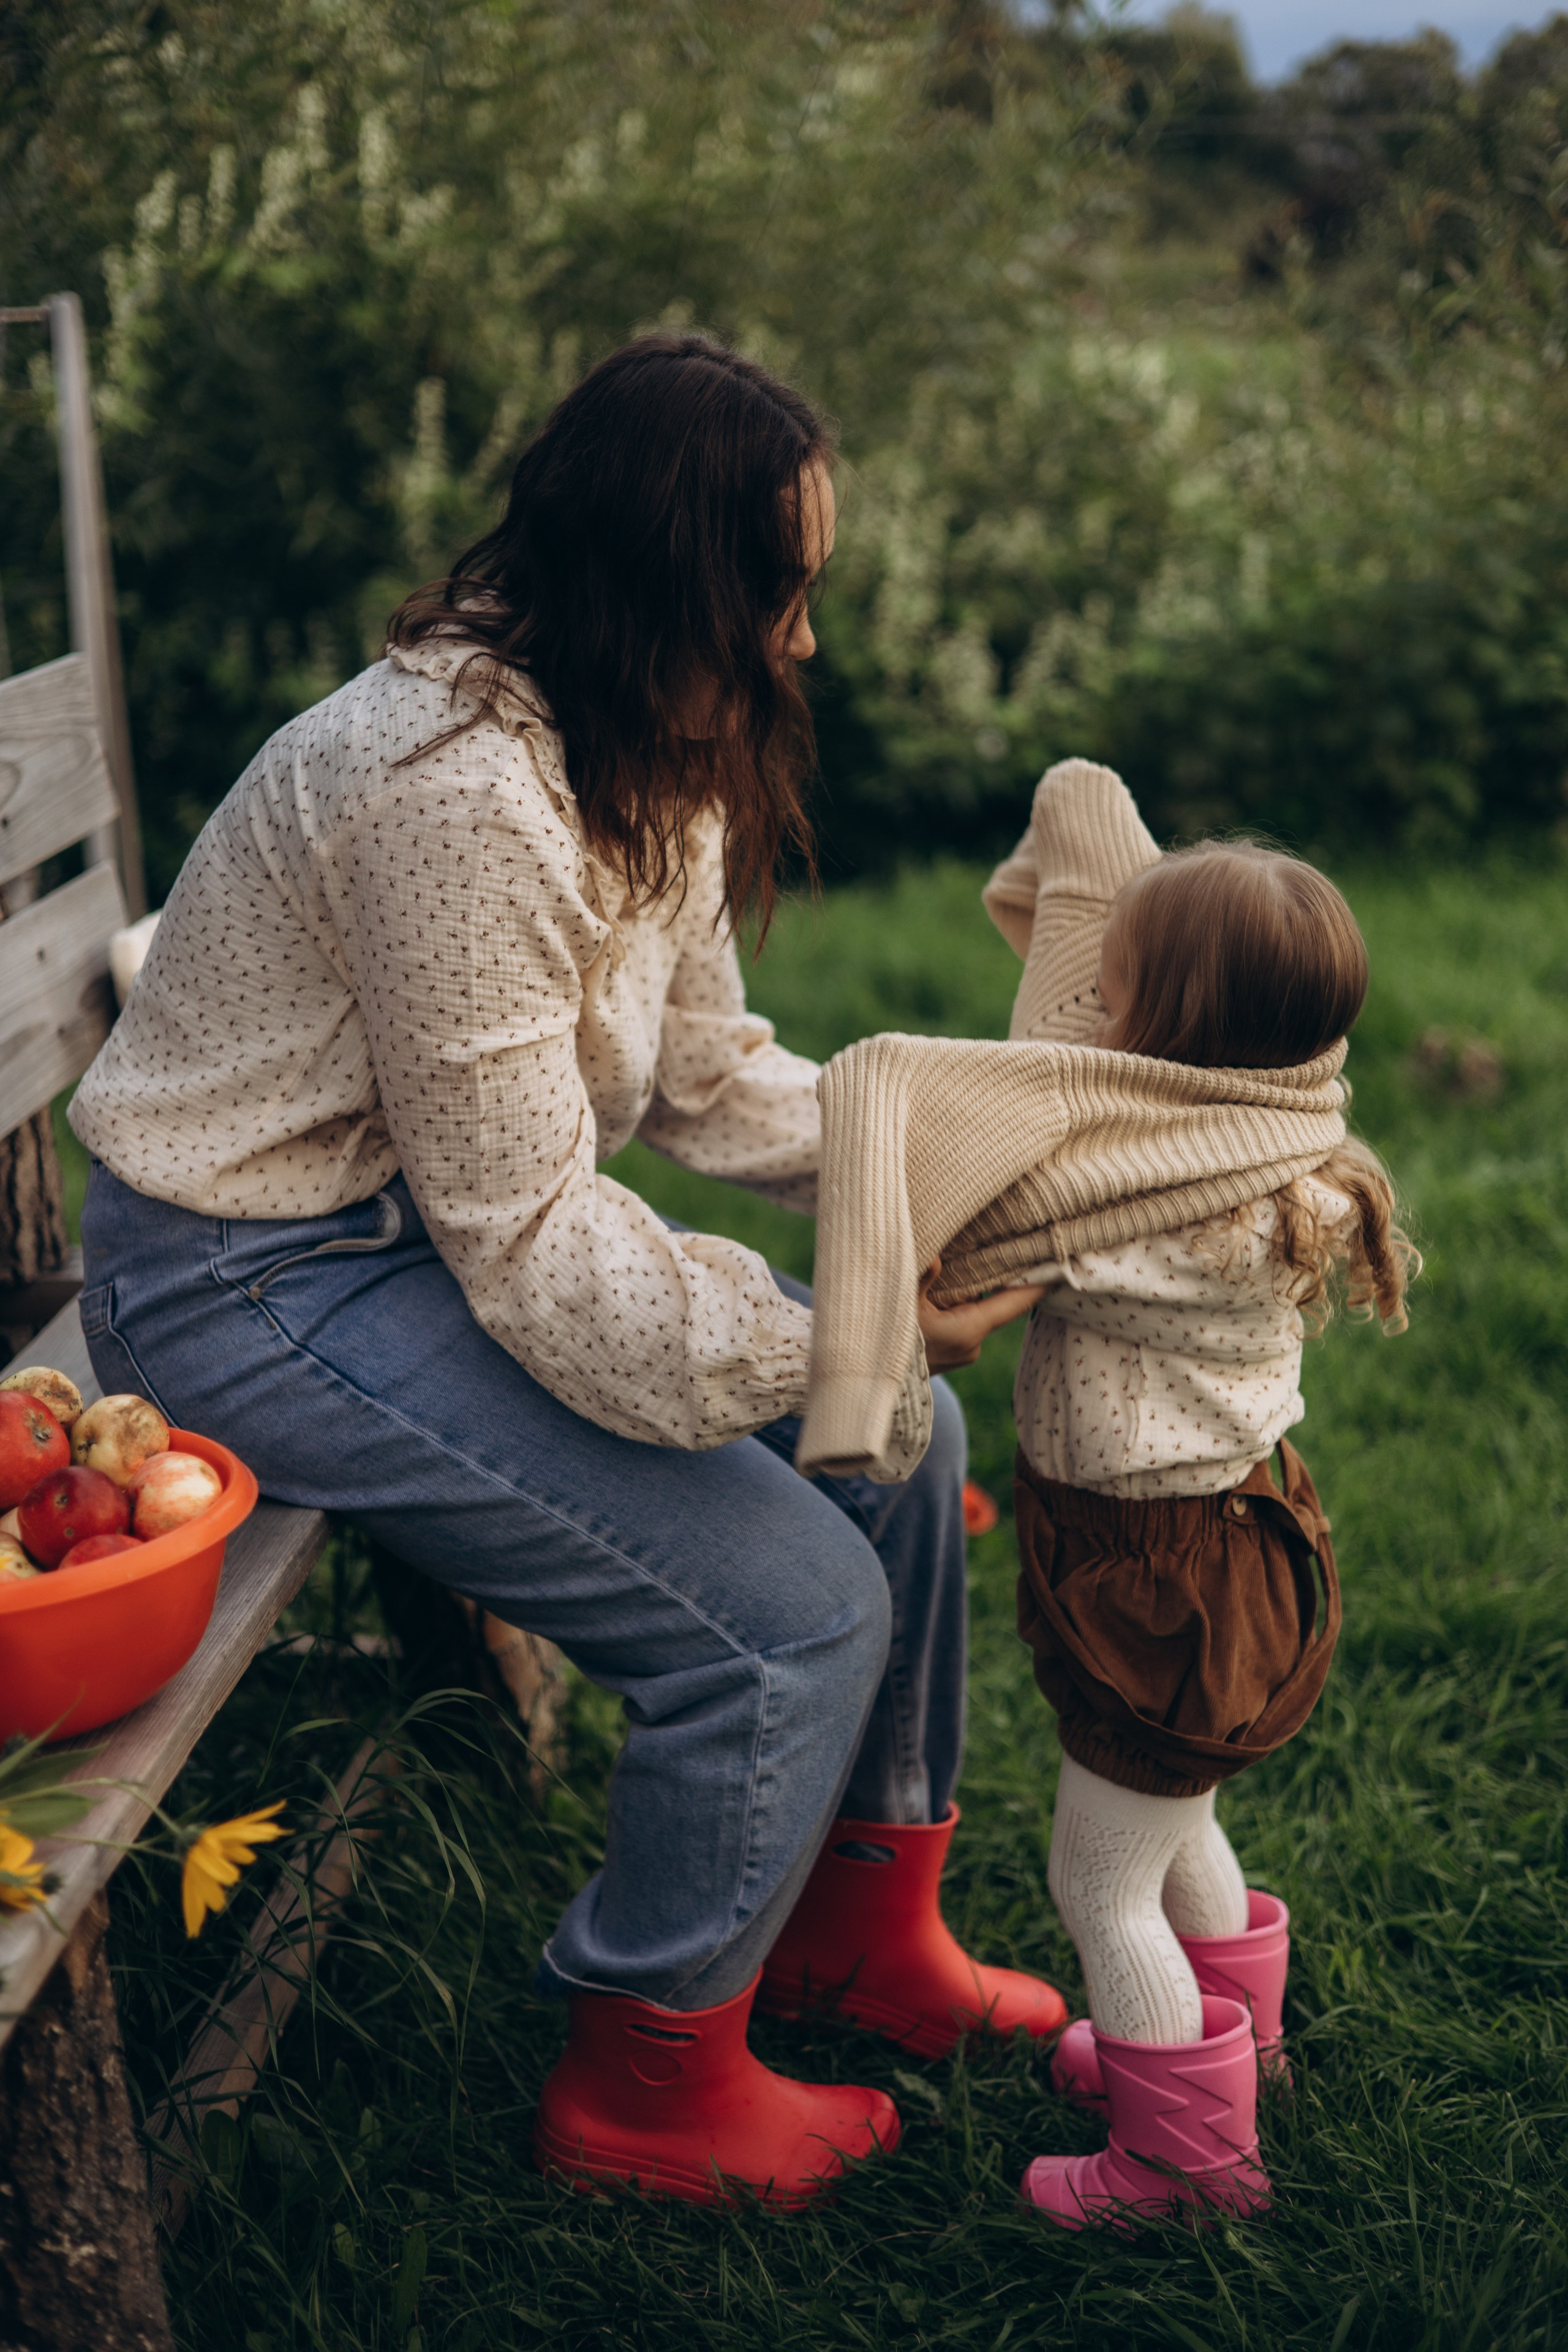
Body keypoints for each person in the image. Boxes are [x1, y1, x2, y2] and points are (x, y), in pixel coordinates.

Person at [68, 334, 1060, 2211]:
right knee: (788, 1617)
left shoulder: (641, 742)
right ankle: (643, 2086)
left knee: (907, 1436)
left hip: (422, 1239)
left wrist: (939, 1173)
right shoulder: (454, 792)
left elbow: (704, 1072)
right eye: (777, 593)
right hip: (254, 1283)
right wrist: (841, 1326)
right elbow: (532, 1251)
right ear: (662, 579)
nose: (804, 642)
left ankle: (858, 1930)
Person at [989, 766, 1417, 2228]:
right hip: (1230, 1544)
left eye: (1106, 994)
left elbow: (1009, 1222)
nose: (1087, 1013)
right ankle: (1237, 2055)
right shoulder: (1280, 1163)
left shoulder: (1160, 1215)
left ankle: (1181, 2164)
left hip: (1159, 1576)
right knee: (1174, 1824)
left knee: (1097, 1885)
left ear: (1161, 1038)